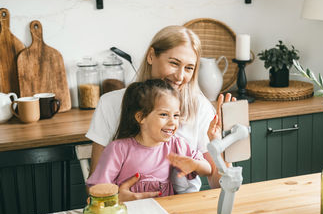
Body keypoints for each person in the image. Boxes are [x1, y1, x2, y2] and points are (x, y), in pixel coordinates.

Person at [86, 25, 234, 202]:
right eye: (174, 63)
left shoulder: (200, 107)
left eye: (189, 68)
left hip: (186, 207)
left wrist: (222, 143)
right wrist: (116, 199)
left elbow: (220, 185)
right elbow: (96, 187)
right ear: (151, 56)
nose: (180, 76)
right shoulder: (110, 104)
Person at [86, 79, 214, 196]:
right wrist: (118, 198)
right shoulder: (118, 149)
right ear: (141, 117)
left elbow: (207, 169)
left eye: (176, 115)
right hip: (128, 212)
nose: (172, 122)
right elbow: (98, 189)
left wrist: (195, 165)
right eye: (164, 115)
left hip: (164, 212)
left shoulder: (175, 144)